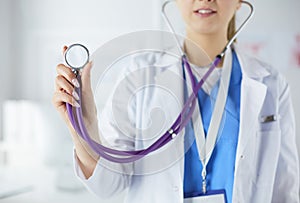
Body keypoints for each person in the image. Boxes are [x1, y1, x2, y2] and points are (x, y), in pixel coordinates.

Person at [52, 0, 300, 202]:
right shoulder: (139, 76)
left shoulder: (271, 84)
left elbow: (285, 188)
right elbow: (108, 186)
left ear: (239, 3)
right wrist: (84, 130)